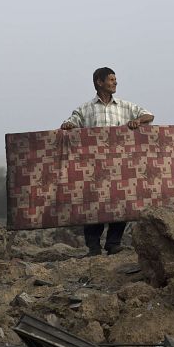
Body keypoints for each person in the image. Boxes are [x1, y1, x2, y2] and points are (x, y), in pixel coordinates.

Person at [61, 67, 154, 256]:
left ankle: (113, 243)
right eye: (111, 79)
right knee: (92, 204)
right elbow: (69, 125)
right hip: (93, 167)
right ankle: (93, 247)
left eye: (115, 79)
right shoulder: (84, 109)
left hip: (119, 166)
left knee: (120, 202)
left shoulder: (126, 107)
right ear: (99, 82)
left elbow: (149, 116)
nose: (115, 82)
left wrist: (138, 121)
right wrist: (69, 125)